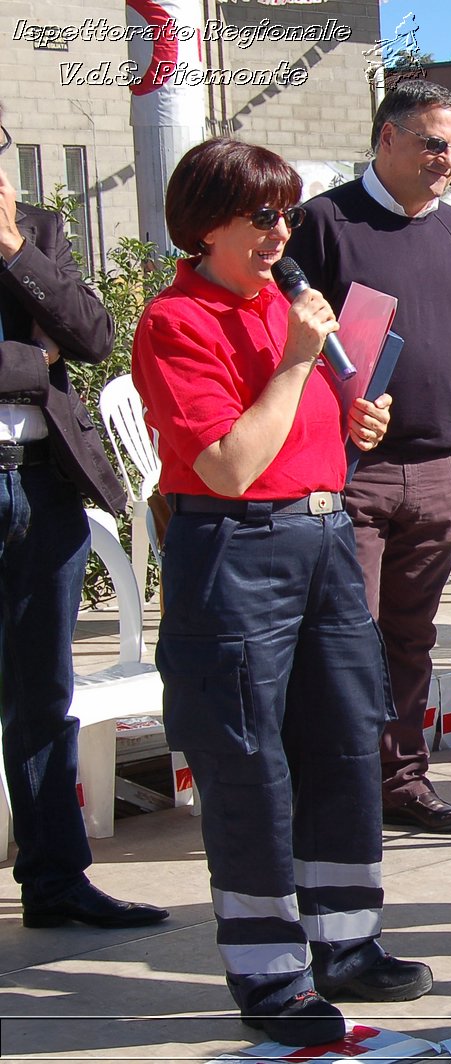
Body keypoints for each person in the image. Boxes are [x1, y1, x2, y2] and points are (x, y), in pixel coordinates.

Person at [131, 138, 428, 1047]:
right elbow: (226, 463)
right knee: (250, 763)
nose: (279, 233)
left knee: (342, 740)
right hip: (236, 547)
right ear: (206, 224)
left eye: (286, 214)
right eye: (260, 216)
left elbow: (310, 426)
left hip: (324, 535)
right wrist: (300, 361)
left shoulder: (285, 307)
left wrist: (352, 412)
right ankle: (270, 973)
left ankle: (346, 944)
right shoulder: (177, 321)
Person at [286, 79, 451, 834]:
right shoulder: (323, 224)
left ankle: (401, 781)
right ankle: (335, 789)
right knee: (345, 638)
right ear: (387, 137)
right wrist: (335, 408)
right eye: (433, 143)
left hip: (441, 472)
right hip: (351, 474)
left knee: (411, 637)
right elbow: (290, 346)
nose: (448, 160)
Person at [0, 103, 168, 932]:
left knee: (43, 693)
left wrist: (14, 251)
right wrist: (34, 360)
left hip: (40, 485)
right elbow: (50, 353)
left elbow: (95, 336)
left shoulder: (36, 230)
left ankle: (56, 882)